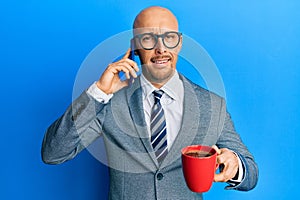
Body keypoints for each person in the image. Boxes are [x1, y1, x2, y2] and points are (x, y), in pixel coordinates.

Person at [42, 6, 258, 200]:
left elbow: (251, 174)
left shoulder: (211, 104)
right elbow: (53, 153)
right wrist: (98, 92)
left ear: (180, 43)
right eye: (148, 39)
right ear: (135, 46)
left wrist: (235, 164)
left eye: (169, 38)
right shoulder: (107, 102)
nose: (161, 49)